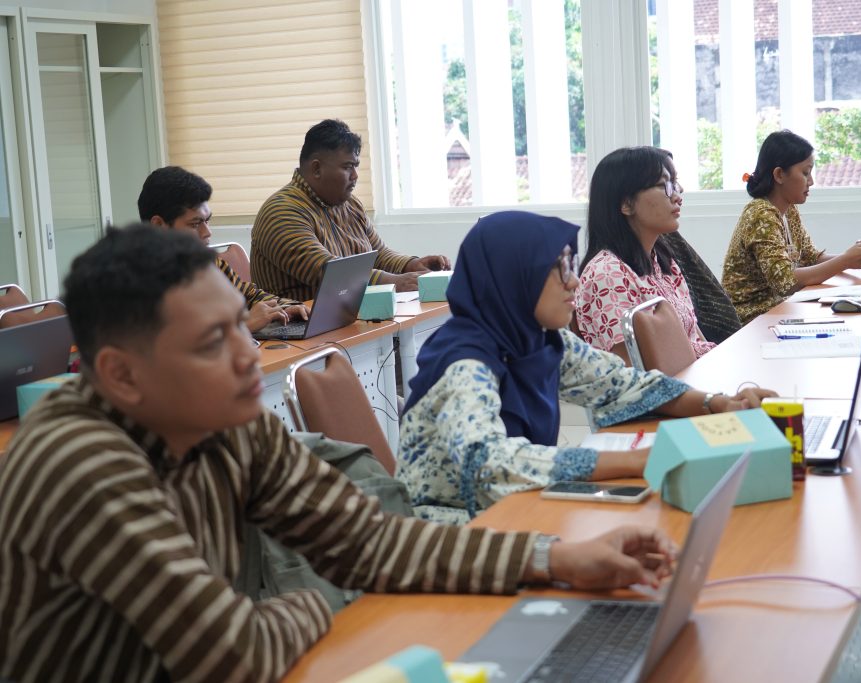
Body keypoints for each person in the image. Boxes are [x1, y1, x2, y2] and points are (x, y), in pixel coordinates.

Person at [0, 225, 679, 682]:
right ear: (119, 373)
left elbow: (374, 545)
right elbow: (237, 651)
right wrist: (323, 597)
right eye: (213, 342)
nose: (248, 357)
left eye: (243, 326)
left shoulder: (227, 422)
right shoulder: (81, 461)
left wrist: (558, 560)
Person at [396, 211, 775, 525]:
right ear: (515, 278)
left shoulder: (539, 340)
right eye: (559, 268)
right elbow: (489, 465)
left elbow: (621, 384)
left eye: (570, 264)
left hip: (517, 511)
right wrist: (635, 460)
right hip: (453, 531)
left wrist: (717, 404)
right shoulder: (465, 362)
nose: (574, 281)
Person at [250, 119, 451, 300]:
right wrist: (394, 282)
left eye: (356, 166)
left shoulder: (350, 205)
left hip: (343, 324)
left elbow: (378, 254)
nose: (355, 175)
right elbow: (328, 273)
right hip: (295, 330)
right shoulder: (282, 212)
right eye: (347, 167)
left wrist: (410, 265)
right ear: (316, 169)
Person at [721, 130, 861, 323]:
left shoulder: (788, 210)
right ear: (779, 175)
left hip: (780, 309)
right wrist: (844, 260)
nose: (811, 181)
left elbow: (810, 257)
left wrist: (853, 257)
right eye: (805, 173)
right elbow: (785, 281)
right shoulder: (761, 214)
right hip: (751, 318)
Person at [576, 146, 717, 359]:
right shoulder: (607, 275)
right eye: (664, 186)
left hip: (698, 377)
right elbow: (634, 372)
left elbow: (695, 338)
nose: (677, 196)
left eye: (675, 185)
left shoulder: (662, 263)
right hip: (671, 389)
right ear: (626, 203)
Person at [138, 165, 309, 332]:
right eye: (195, 224)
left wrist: (287, 307)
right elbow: (172, 347)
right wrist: (243, 325)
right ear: (159, 226)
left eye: (207, 220)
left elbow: (250, 295)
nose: (207, 232)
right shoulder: (134, 282)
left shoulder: (207, 263)